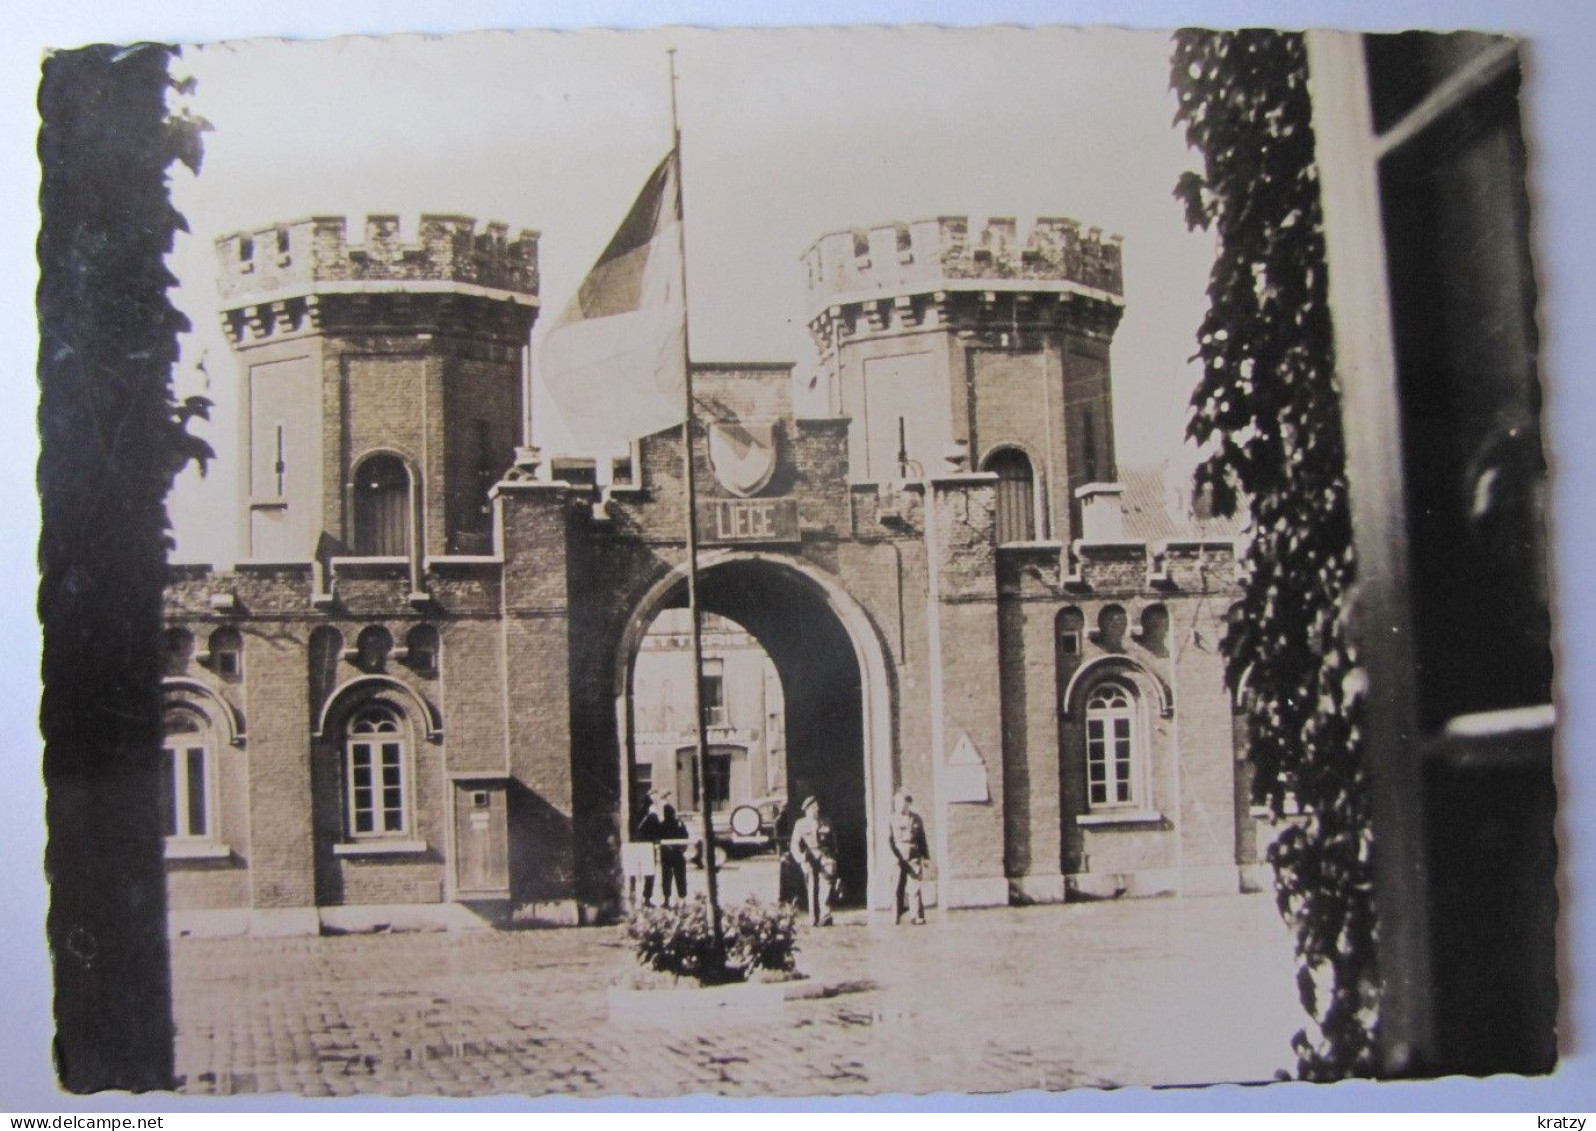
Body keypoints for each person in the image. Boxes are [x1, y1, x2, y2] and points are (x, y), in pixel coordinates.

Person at [789, 795, 838, 926]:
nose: (815, 811)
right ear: (806, 810)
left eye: (816, 808)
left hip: (824, 856)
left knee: (826, 886)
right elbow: (794, 844)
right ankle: (813, 917)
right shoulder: (800, 824)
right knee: (812, 887)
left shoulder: (825, 821)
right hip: (809, 858)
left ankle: (825, 915)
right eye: (812, 808)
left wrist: (833, 857)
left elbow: (833, 841)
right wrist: (800, 860)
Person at [889, 788, 929, 925]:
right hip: (898, 856)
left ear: (908, 803)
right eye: (897, 802)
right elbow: (889, 840)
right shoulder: (892, 819)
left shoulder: (916, 819)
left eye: (902, 802)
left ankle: (916, 915)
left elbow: (922, 839)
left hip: (913, 855)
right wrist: (895, 856)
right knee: (897, 887)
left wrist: (926, 857)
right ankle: (895, 915)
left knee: (915, 886)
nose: (899, 805)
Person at [657, 796, 690, 907]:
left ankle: (667, 900)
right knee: (679, 877)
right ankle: (681, 899)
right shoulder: (678, 824)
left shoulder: (662, 825)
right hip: (676, 854)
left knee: (667, 878)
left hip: (668, 854)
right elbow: (685, 837)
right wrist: (682, 848)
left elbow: (658, 838)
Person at [633, 791, 665, 906]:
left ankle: (634, 898)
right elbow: (659, 831)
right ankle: (646, 899)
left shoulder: (634, 816)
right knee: (649, 874)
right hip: (647, 847)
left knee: (634, 873)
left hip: (635, 847)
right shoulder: (652, 816)